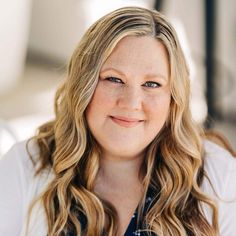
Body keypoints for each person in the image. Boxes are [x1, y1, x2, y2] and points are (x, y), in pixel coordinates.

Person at [0, 6, 235, 236]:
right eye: (114, 79)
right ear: (84, 86)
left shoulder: (220, 179)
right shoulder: (25, 166)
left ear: (173, 100)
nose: (131, 102)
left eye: (152, 84)